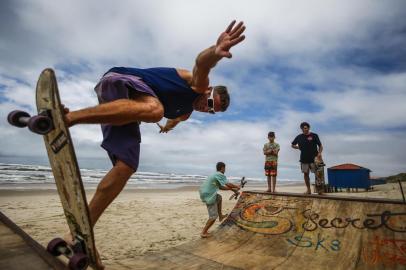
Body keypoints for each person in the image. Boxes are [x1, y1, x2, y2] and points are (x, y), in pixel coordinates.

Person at [62, 20, 246, 267]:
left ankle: (81, 234)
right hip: (120, 80)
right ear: (208, 91)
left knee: (126, 166)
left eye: (212, 112)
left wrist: (166, 129)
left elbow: (173, 122)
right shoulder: (197, 84)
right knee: (155, 109)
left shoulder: (185, 113)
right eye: (210, 103)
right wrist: (215, 51)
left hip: (121, 108)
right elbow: (202, 63)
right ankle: (68, 119)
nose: (206, 108)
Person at [199, 162, 240, 238]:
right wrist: (236, 186)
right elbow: (227, 184)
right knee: (213, 216)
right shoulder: (220, 174)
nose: (225, 170)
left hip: (205, 192)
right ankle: (203, 232)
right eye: (224, 168)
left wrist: (233, 190)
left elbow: (221, 187)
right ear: (222, 168)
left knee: (219, 197)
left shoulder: (215, 175)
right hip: (208, 195)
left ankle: (221, 216)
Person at [291, 122, 323, 194]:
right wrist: (298, 147)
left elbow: (320, 146)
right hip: (304, 159)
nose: (305, 129)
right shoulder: (299, 137)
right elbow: (292, 145)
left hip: (314, 158)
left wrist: (319, 153)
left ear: (309, 128)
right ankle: (308, 190)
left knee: (318, 174)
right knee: (306, 174)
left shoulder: (314, 135)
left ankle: (319, 190)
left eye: (306, 128)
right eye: (303, 128)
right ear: (301, 129)